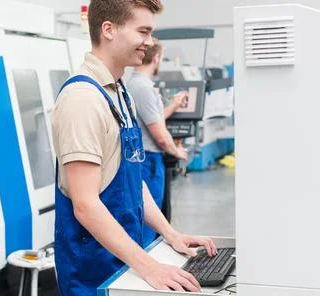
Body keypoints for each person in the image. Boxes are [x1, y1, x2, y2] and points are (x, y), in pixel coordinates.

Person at [51, 1, 217, 295]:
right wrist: (149, 266)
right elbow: (85, 205)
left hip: (122, 262)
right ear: (109, 30)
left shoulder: (119, 93)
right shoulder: (83, 98)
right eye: (143, 31)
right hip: (93, 273)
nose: (149, 43)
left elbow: (132, 179)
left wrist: (170, 233)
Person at [127, 38, 189, 246]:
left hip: (145, 158)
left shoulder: (136, 84)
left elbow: (153, 118)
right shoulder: (143, 87)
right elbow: (160, 136)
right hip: (149, 161)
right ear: (155, 58)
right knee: (150, 220)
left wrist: (173, 105)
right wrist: (177, 151)